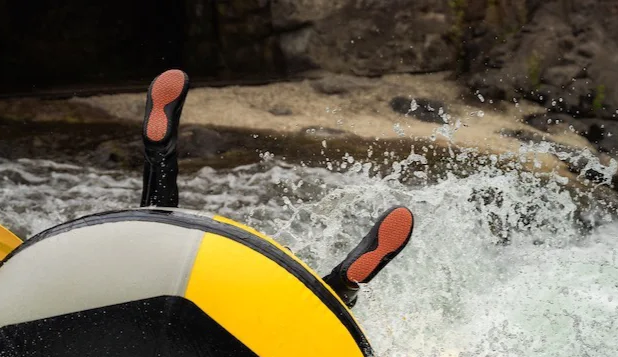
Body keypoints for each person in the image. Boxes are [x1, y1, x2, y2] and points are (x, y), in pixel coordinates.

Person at [140, 69, 414, 307]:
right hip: (230, 320)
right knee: (313, 314)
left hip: (154, 296)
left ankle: (159, 153)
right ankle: (342, 287)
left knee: (154, 239)